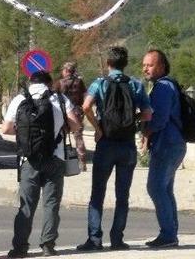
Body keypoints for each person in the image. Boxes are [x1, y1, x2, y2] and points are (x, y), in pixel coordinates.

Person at [77, 47, 152, 251]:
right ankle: (117, 239)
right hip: (127, 145)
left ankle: (94, 239)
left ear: (108, 64)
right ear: (125, 64)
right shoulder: (136, 85)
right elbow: (147, 114)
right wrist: (131, 121)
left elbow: (85, 107)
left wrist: (99, 127)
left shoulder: (99, 83)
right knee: (123, 195)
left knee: (97, 193)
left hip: (106, 143)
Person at [1, 71, 80, 258]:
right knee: (51, 203)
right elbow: (75, 124)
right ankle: (48, 245)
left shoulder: (20, 99)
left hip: (29, 160)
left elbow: (6, 128)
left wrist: (25, 134)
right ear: (50, 83)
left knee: (26, 205)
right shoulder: (59, 99)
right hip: (56, 158)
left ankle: (20, 248)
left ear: (30, 82)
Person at [142, 49, 186, 248]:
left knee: (155, 187)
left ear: (161, 66)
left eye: (149, 65)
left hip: (166, 144)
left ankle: (168, 234)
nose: (145, 69)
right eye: (144, 65)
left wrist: (145, 132)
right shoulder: (170, 85)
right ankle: (171, 233)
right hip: (175, 143)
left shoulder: (162, 87)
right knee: (166, 189)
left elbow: (158, 120)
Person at [56, 61, 88, 171]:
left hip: (63, 113)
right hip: (77, 112)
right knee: (79, 138)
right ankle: (82, 162)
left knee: (62, 137)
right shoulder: (79, 82)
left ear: (65, 71)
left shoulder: (60, 83)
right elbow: (85, 95)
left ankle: (63, 161)